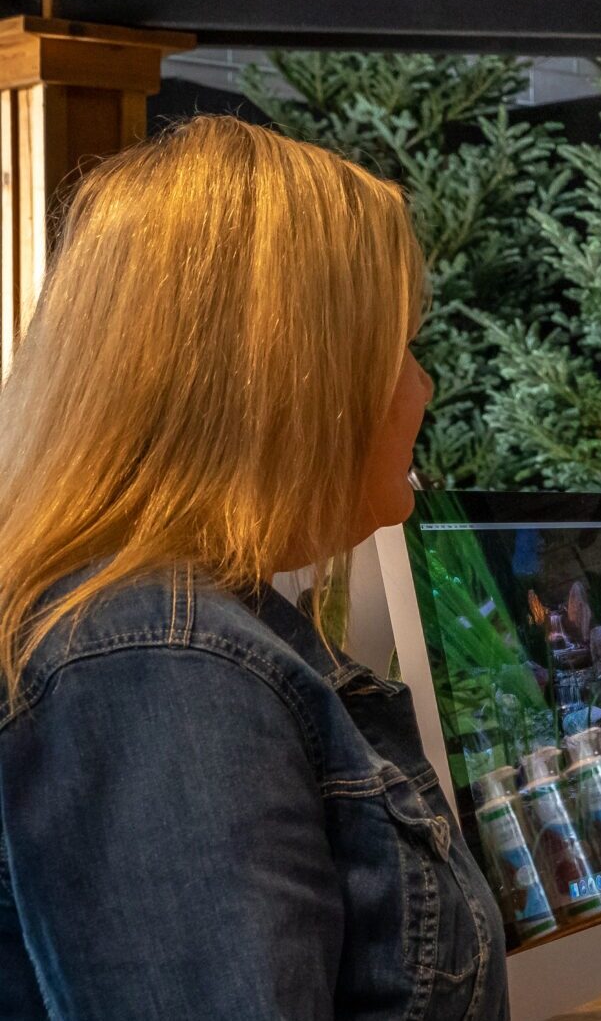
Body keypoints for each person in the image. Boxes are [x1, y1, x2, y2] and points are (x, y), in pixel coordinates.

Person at [0, 116, 509, 1020]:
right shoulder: (161, 668)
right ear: (292, 379)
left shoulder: (189, 633)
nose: (421, 386)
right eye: (393, 346)